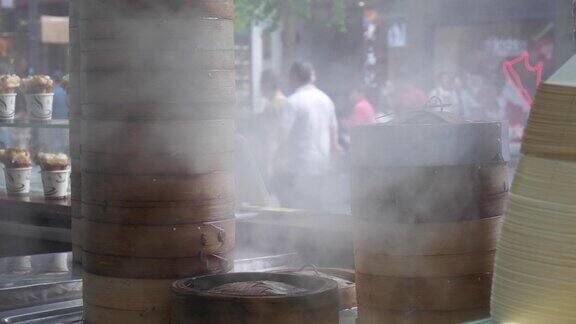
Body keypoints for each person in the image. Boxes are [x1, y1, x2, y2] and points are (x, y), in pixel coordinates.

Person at [273, 62, 339, 209]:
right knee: (315, 209)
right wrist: (333, 161)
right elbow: (333, 135)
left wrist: (276, 160)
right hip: (321, 165)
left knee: (294, 211)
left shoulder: (293, 102)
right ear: (311, 77)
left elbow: (282, 136)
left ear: (294, 77)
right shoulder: (326, 100)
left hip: (297, 168)